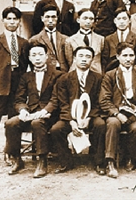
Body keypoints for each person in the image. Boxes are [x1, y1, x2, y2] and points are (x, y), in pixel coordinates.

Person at [4, 43, 63, 178]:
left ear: (47, 56)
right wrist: (23, 110)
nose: (37, 58)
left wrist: (46, 110)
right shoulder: (26, 76)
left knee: (37, 123)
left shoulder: (57, 75)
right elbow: (19, 99)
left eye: (40, 54)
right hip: (31, 112)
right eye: (34, 55)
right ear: (29, 58)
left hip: (50, 115)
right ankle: (17, 159)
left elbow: (57, 99)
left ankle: (42, 161)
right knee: (10, 123)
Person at [0, 7, 29, 169]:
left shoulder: (24, 43)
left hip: (16, 87)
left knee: (12, 122)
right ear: (3, 21)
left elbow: (24, 66)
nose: (12, 22)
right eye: (9, 19)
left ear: (19, 22)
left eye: (15, 19)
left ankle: (11, 154)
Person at [50, 46, 106, 175]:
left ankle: (99, 162)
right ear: (74, 59)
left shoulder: (98, 78)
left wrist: (89, 118)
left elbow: (99, 101)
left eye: (88, 57)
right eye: (80, 56)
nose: (84, 59)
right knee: (56, 129)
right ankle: (66, 161)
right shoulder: (64, 79)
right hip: (70, 117)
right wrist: (71, 121)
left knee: (100, 125)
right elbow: (63, 103)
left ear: (92, 60)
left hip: (91, 115)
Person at [99, 43, 136, 178]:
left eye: (131, 55)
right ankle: (110, 161)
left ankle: (130, 158)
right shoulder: (110, 75)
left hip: (134, 113)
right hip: (116, 112)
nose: (128, 59)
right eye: (124, 55)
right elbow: (104, 100)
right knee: (113, 124)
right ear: (118, 57)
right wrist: (117, 114)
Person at [29, 4, 69, 72]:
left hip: (63, 73)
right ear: (42, 18)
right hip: (45, 73)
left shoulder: (66, 39)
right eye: (47, 17)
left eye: (53, 17)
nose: (50, 20)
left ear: (57, 18)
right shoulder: (35, 39)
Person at [65, 9, 105, 74]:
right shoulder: (70, 40)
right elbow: (70, 61)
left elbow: (103, 60)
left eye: (91, 19)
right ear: (78, 20)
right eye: (85, 18)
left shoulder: (101, 39)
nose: (88, 21)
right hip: (77, 74)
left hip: (96, 74)